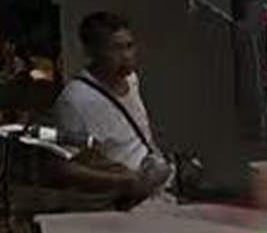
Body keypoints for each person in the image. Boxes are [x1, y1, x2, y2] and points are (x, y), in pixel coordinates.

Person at [45, 12, 176, 206]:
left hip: (153, 194)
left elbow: (140, 133)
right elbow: (62, 168)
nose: (126, 56)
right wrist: (123, 181)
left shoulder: (131, 80)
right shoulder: (75, 100)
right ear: (93, 52)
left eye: (129, 46)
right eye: (116, 49)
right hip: (117, 201)